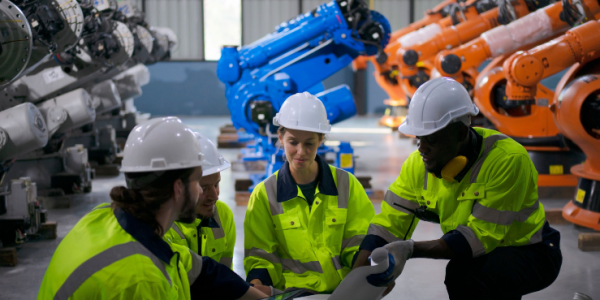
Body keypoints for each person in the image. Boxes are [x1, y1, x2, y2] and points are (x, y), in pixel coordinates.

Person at [353, 77, 562, 299]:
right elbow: (387, 225)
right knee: (471, 272)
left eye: (431, 139)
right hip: (484, 251)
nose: (422, 148)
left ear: (461, 132)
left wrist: (410, 249)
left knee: (466, 275)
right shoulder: (418, 164)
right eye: (418, 138)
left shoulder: (507, 160)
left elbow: (478, 238)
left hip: (531, 250)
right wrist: (357, 275)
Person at [38, 117, 267, 300]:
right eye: (198, 182)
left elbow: (197, 269)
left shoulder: (103, 218)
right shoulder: (144, 279)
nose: (210, 194)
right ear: (179, 187)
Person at [244, 92, 375, 295]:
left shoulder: (347, 186)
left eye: (309, 143)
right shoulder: (264, 195)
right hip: (290, 294)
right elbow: (260, 255)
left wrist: (369, 268)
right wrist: (257, 285)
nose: (301, 152)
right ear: (280, 137)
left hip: (340, 293)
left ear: (321, 139)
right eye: (293, 142)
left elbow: (358, 241)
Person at [163, 133, 236, 269]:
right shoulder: (163, 224)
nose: (215, 196)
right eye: (203, 188)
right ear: (178, 186)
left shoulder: (223, 215)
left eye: (216, 185)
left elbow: (226, 277)